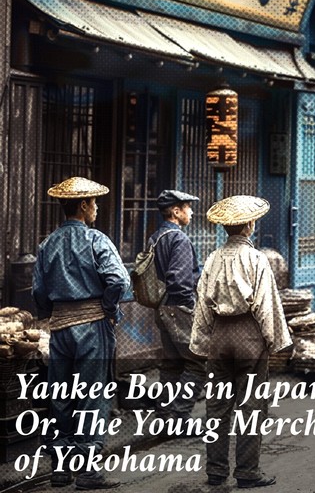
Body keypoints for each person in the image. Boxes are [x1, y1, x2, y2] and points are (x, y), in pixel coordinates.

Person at [32, 177, 130, 490]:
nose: (97, 208)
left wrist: (51, 313)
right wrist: (110, 310)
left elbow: (38, 291)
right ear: (84, 205)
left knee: (60, 396)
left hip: (60, 329)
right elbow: (117, 281)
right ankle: (88, 470)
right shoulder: (96, 240)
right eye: (95, 203)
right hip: (92, 327)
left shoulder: (47, 245)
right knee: (91, 395)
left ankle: (61, 469)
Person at [190, 195, 292, 488]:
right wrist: (277, 343)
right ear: (249, 225)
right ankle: (247, 472)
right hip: (249, 338)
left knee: (217, 409)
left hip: (220, 339)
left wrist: (200, 343)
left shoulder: (212, 258)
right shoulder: (256, 259)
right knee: (251, 407)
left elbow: (202, 305)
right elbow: (266, 306)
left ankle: (216, 471)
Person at [149, 189, 206, 424]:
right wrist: (190, 308)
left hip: (162, 307)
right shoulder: (179, 238)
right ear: (176, 211)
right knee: (198, 363)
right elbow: (179, 280)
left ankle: (165, 415)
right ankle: (180, 417)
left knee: (172, 364)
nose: (191, 212)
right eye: (187, 207)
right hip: (179, 308)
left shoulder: (156, 237)